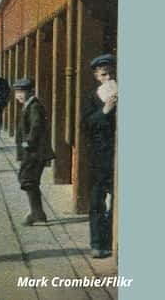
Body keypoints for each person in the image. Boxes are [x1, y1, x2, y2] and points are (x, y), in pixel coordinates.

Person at [81, 54, 117, 259]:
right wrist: (104, 111)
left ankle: (112, 241)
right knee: (97, 201)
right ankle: (97, 243)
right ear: (96, 76)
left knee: (118, 201)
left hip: (117, 158)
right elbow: (84, 125)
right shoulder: (91, 97)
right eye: (104, 74)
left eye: (111, 73)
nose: (108, 78)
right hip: (99, 157)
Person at [13, 78, 55, 226]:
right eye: (17, 92)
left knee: (27, 180)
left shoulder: (34, 106)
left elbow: (36, 125)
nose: (18, 95)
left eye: (21, 92)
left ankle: (37, 213)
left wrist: (28, 141)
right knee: (28, 180)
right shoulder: (28, 105)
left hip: (35, 151)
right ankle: (38, 213)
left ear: (31, 91)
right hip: (32, 152)